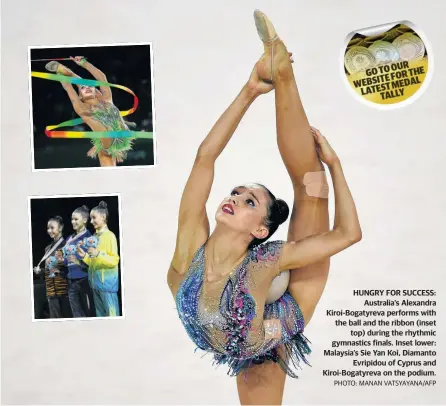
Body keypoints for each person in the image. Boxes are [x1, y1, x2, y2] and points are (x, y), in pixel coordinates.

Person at [167, 10, 362, 405]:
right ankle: (273, 73)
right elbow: (205, 157)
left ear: (260, 230)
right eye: (236, 193)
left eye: (249, 201)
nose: (234, 199)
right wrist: (250, 90)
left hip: (278, 327)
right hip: (243, 337)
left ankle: (283, 71)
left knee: (313, 186)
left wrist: (337, 166)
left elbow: (348, 235)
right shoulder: (190, 249)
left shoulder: (265, 260)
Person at [45, 56, 134, 167]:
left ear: (95, 91)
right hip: (106, 141)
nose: (87, 88)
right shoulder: (82, 108)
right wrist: (63, 80)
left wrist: (84, 63)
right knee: (108, 168)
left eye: (90, 87)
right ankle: (65, 71)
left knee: (84, 84)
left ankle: (65, 70)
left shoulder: (106, 98)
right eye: (82, 89)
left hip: (121, 135)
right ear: (80, 96)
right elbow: (69, 89)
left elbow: (102, 77)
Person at [77, 201, 121, 317]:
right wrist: (84, 256)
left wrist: (98, 253)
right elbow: (93, 262)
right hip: (95, 285)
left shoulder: (110, 236)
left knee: (112, 316)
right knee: (100, 317)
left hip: (107, 286)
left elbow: (114, 260)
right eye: (90, 218)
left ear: (103, 217)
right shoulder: (94, 237)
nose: (91, 221)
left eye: (93, 218)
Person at [56, 205, 95, 318]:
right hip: (71, 282)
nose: (73, 222)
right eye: (72, 219)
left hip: (85, 281)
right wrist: (61, 260)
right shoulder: (69, 239)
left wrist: (79, 262)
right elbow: (66, 261)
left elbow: (93, 262)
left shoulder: (89, 238)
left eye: (76, 219)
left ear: (85, 220)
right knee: (77, 315)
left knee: (88, 314)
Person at [34, 216, 72, 319]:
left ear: (60, 228)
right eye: (48, 228)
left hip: (63, 291)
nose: (49, 230)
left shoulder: (66, 245)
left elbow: (70, 267)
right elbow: (48, 270)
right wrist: (40, 272)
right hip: (50, 291)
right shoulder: (47, 249)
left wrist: (58, 270)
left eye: (52, 228)